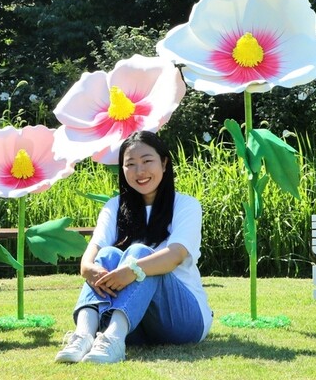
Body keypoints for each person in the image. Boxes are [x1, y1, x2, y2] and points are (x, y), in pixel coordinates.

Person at [55, 130, 212, 364]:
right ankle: (84, 335)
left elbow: (175, 256)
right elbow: (92, 254)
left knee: (140, 254)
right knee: (108, 254)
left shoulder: (186, 205)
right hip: (134, 324)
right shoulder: (114, 207)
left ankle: (114, 340)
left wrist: (132, 270)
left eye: (147, 161)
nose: (140, 171)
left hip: (183, 321)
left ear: (164, 163)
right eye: (130, 164)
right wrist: (89, 269)